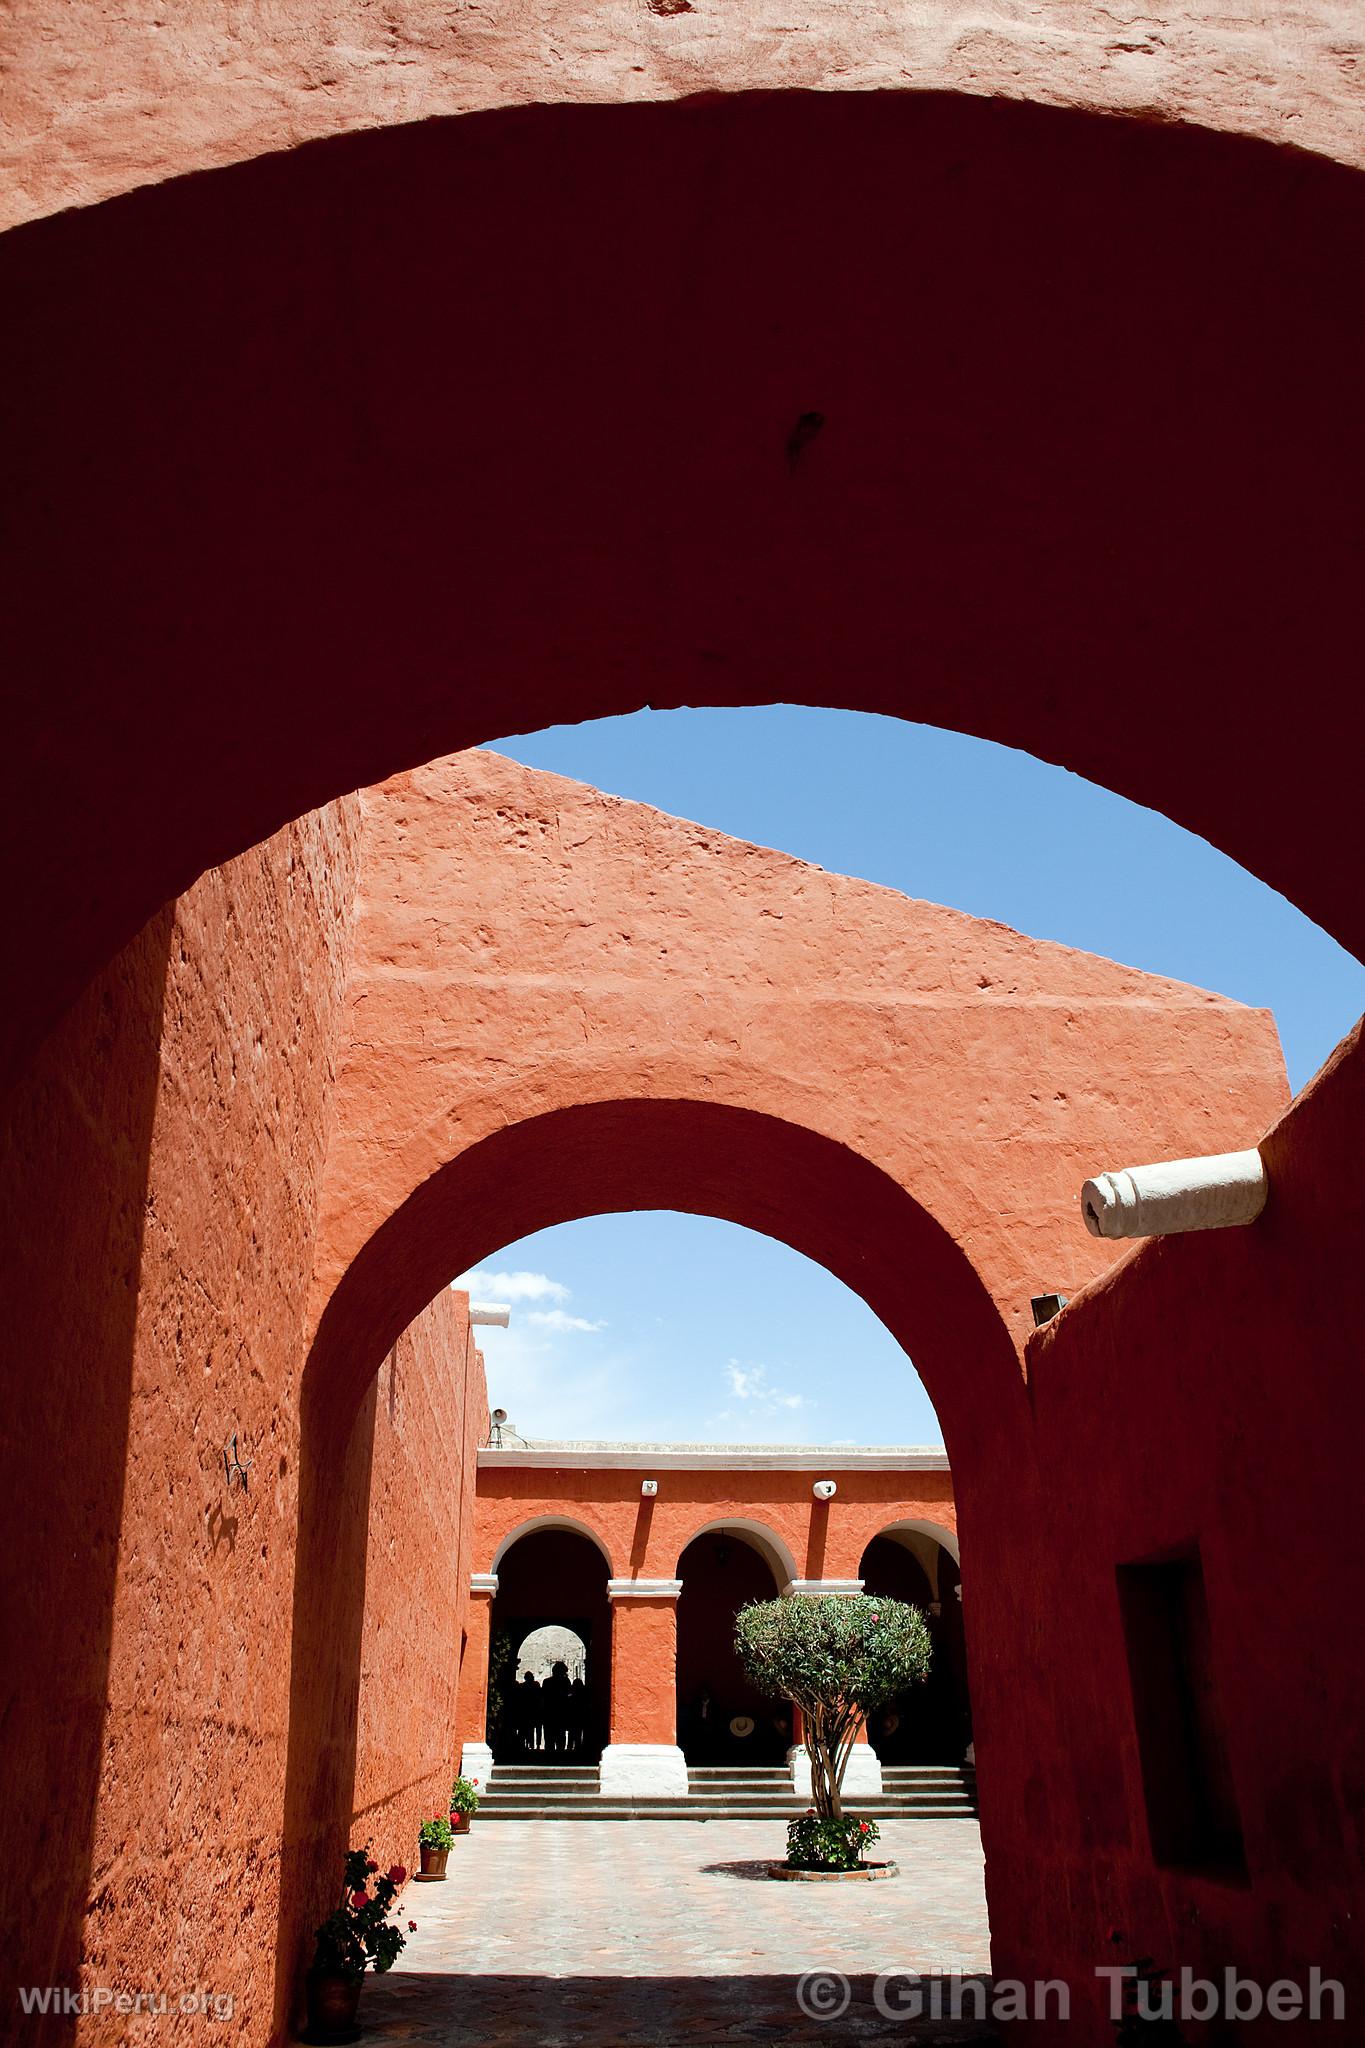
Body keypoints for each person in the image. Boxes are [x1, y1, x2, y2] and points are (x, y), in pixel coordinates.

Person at [541, 1659, 572, 1759]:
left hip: (549, 1713)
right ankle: (560, 1756)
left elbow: (543, 1698)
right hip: (561, 1712)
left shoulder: (546, 1682)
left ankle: (549, 1757)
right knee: (560, 1736)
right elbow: (569, 1696)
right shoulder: (566, 1682)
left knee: (549, 1737)